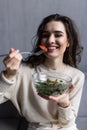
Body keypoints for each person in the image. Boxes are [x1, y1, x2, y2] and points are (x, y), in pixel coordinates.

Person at [0, 14, 85, 130]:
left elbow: (67, 123)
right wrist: (8, 75)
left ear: (68, 42)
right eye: (45, 35)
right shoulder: (23, 71)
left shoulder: (77, 76)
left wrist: (64, 104)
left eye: (58, 35)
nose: (50, 40)